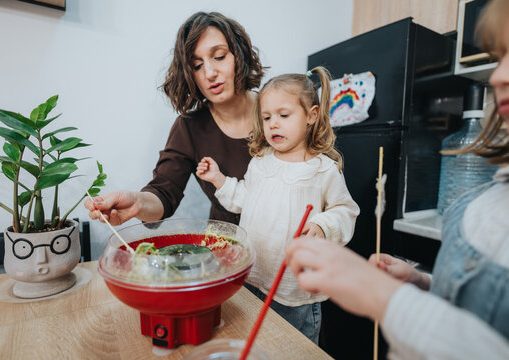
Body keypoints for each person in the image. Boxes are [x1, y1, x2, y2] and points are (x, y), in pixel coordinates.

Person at [285, 0, 509, 358]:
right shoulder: (489, 196)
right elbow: (481, 315)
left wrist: (381, 294)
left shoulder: (324, 166)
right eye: (501, 56)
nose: (498, 75)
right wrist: (421, 283)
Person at [196, 66, 360, 344]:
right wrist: (219, 179)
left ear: (311, 115)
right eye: (267, 117)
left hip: (294, 290)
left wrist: (323, 225)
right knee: (256, 344)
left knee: (291, 348)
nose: (273, 124)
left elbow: (346, 211)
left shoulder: (323, 170)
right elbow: (245, 200)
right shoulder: (260, 162)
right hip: (251, 278)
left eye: (283, 116)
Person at [85, 12, 265, 226]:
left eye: (219, 56)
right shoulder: (190, 127)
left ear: (240, 54)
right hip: (227, 245)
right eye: (197, 65)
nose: (209, 73)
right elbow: (163, 192)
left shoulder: (280, 108)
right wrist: (136, 203)